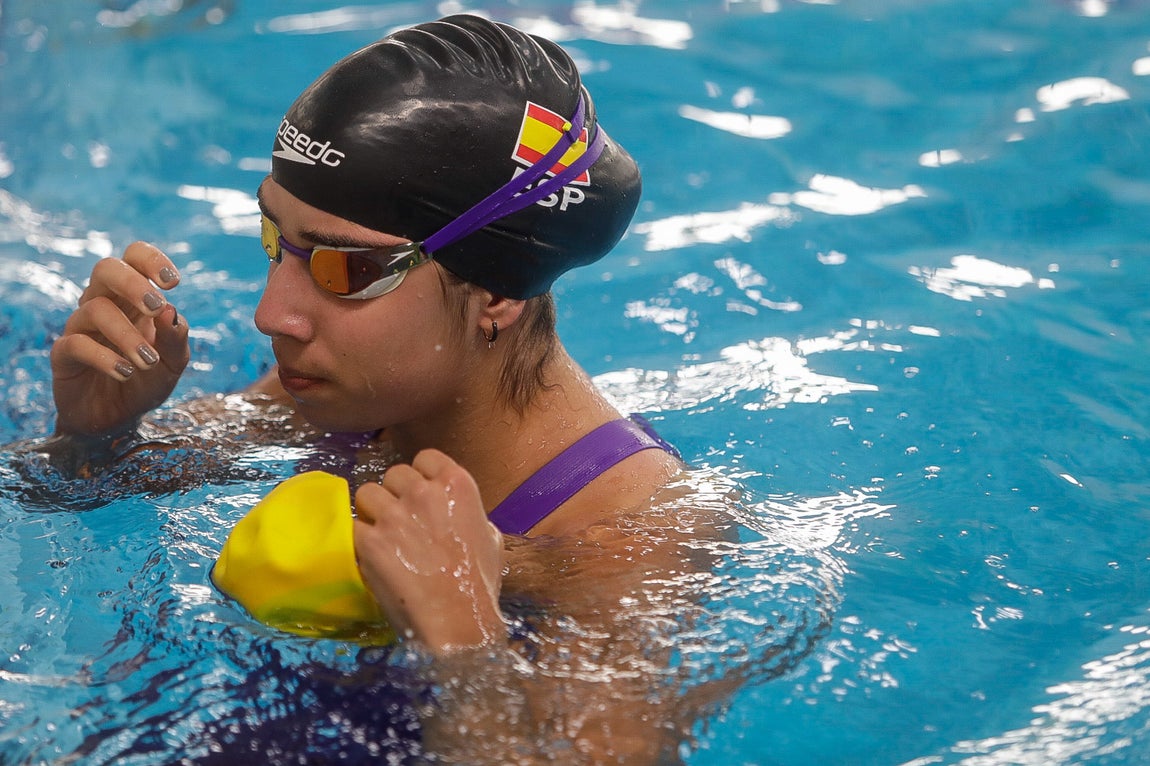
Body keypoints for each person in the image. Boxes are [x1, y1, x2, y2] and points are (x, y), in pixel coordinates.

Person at [45, 14, 731, 763]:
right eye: (276, 238)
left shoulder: (631, 544)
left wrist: (463, 649)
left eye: (347, 269)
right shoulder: (334, 394)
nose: (271, 312)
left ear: (496, 289)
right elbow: (73, 498)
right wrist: (95, 433)